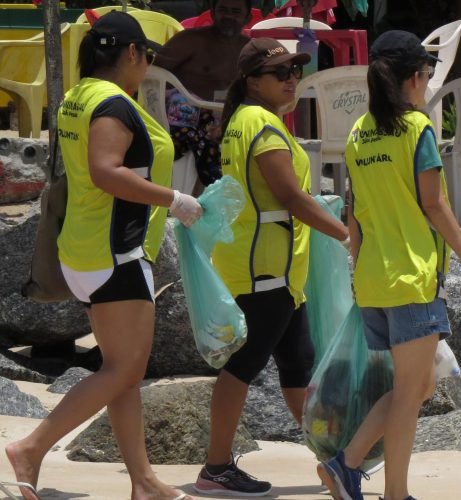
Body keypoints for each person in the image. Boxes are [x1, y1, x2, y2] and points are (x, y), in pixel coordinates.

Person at [4, 11, 202, 500]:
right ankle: (30, 447)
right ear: (132, 53)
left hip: (85, 248)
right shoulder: (112, 104)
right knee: (122, 371)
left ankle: (143, 481)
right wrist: (174, 199)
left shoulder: (78, 96)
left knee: (123, 372)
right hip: (115, 252)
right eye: (148, 56)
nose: (148, 65)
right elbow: (105, 172)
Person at [316, 30, 461, 500]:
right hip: (412, 277)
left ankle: (346, 463)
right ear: (414, 78)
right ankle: (392, 492)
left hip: (375, 280)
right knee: (411, 392)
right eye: (429, 73)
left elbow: (353, 212)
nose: (429, 80)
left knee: (413, 389)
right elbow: (435, 205)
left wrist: (358, 273)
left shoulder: (359, 133)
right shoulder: (416, 128)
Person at [192, 38, 349, 497]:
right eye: (279, 72)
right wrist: (347, 235)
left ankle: (337, 461)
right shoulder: (260, 122)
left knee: (298, 364)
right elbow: (291, 197)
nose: (290, 79)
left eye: (295, 70)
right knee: (243, 366)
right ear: (251, 80)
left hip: (270, 268)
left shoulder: (244, 119)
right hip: (266, 269)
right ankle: (216, 467)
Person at [154, 0, 252, 188]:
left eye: (235, 11)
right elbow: (152, 74)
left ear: (247, 17)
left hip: (227, 119)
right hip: (182, 122)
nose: (229, 16)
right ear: (213, 13)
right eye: (223, 10)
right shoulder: (190, 40)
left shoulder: (249, 50)